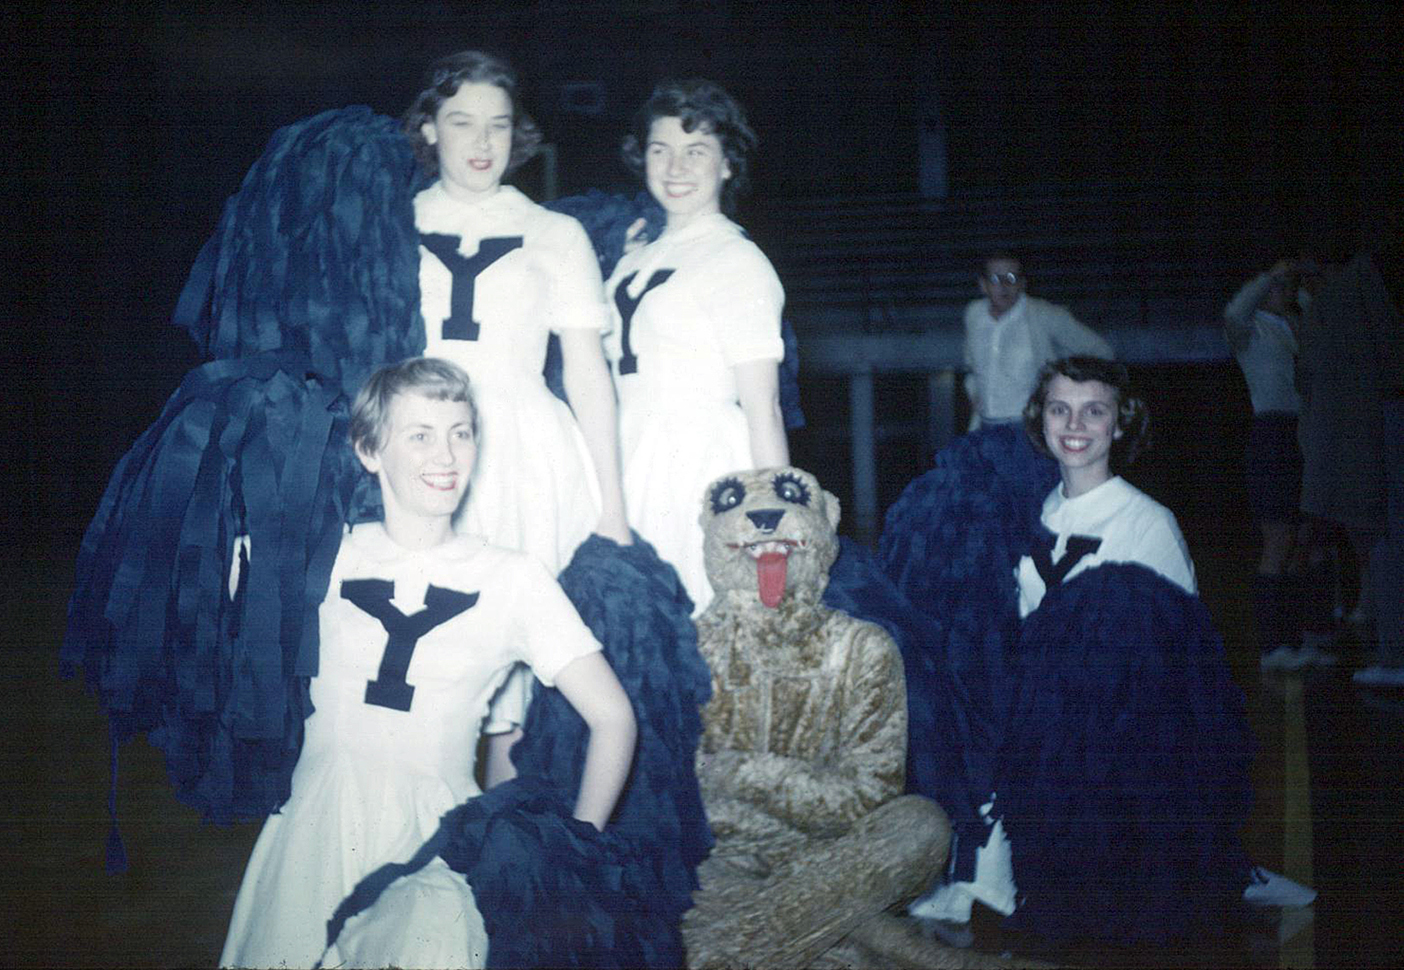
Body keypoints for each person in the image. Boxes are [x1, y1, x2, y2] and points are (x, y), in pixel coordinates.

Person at [219, 358, 637, 970]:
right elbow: (201, 576)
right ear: (368, 450)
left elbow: (614, 716)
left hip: (438, 836)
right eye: (420, 435)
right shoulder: (324, 554)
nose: (446, 456)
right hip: (313, 828)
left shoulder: (513, 578)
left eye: (461, 433)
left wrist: (580, 847)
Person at [911, 357, 1313, 950]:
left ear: (1120, 425)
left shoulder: (1149, 524)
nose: (1075, 424)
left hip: (1111, 752)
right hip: (1029, 733)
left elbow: (1181, 672)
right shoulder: (1026, 514)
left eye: (1094, 411)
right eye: (1060, 409)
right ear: (1040, 419)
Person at [404, 51, 632, 775]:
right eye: (461, 122)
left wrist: (612, 504)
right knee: (419, 657)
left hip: (524, 457)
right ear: (430, 128)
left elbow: (590, 376)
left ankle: (497, 849)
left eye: (497, 126)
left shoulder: (554, 234)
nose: (481, 143)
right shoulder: (391, 226)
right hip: (421, 451)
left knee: (510, 678)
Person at [603, 78, 789, 615]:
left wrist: (773, 525)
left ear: (727, 164)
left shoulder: (738, 261)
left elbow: (764, 409)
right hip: (629, 450)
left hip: (698, 464)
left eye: (696, 152)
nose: (675, 168)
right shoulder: (635, 255)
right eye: (661, 151)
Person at [1223, 258, 1338, 670]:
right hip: (1273, 433)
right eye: (1279, 284)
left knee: (1307, 535)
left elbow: (1322, 303)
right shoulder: (1250, 327)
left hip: (1307, 431)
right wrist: (1269, 275)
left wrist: (1307, 276)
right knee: (1280, 539)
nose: (1285, 289)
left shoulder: (1299, 323)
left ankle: (1302, 634)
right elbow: (1236, 310)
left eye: (1290, 284)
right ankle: (1274, 646)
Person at [963, 252, 1113, 429]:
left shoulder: (1045, 315)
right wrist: (972, 390)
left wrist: (1069, 393)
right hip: (985, 424)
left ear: (1023, 283)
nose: (1004, 285)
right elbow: (971, 366)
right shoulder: (974, 314)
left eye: (1011, 278)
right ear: (983, 285)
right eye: (995, 279)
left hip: (1029, 427)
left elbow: (1101, 352)